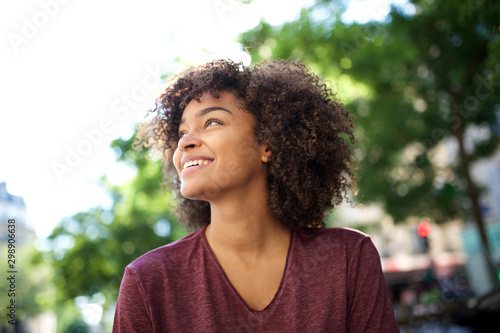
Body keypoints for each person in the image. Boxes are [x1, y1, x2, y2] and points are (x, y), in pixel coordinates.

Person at [112, 59, 399, 332]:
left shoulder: (348, 258)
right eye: (182, 132)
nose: (185, 142)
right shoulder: (148, 281)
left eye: (212, 122)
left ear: (268, 143)